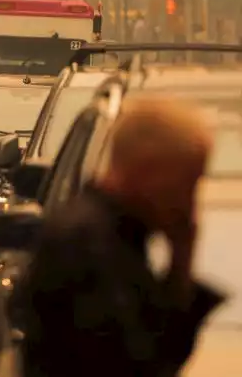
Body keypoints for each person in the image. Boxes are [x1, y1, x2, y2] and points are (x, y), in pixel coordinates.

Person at [13, 96, 222, 377]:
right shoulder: (91, 247)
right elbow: (139, 362)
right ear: (148, 170)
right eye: (186, 181)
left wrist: (181, 257)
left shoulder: (114, 238)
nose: (188, 201)